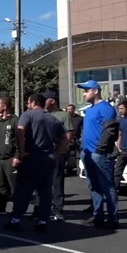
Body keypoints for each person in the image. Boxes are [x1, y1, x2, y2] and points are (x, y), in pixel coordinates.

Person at [4, 93, 67, 233]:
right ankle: (42, 221)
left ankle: (15, 220)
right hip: (48, 159)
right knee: (45, 192)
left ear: (32, 102)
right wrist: (57, 153)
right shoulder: (53, 118)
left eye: (28, 102)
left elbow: (20, 132)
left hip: (32, 157)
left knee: (23, 191)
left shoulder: (28, 115)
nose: (27, 104)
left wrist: (21, 152)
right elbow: (65, 137)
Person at [77, 80, 120, 230]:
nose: (84, 93)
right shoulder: (89, 110)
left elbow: (110, 131)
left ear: (95, 91)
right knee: (94, 186)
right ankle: (98, 216)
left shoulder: (106, 108)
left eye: (86, 90)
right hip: (87, 153)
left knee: (107, 186)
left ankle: (113, 219)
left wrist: (99, 150)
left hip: (100, 154)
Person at [30, 90, 73, 222]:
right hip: (40, 153)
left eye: (46, 99)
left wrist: (59, 151)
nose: (43, 102)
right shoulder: (41, 114)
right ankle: (38, 208)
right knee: (39, 182)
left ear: (52, 101)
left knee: (57, 182)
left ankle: (58, 210)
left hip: (55, 153)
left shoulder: (63, 115)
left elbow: (68, 135)